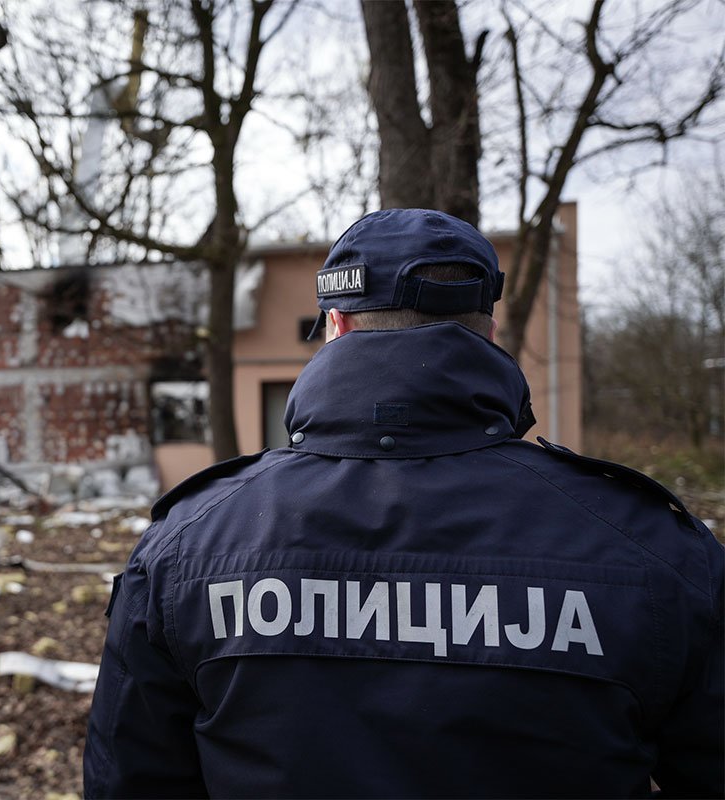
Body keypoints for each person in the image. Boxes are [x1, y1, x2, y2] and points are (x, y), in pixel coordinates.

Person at [83, 209, 724, 798]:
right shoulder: (653, 549)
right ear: (489, 332)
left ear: (335, 326)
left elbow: (129, 783)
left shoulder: (187, 545)